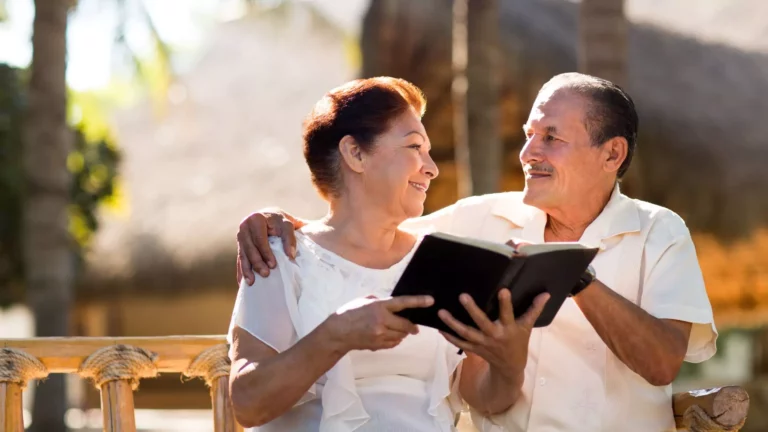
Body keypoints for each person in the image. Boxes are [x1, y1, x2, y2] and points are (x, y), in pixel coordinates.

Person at [235, 72, 718, 432]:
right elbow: (360, 235)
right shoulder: (469, 228)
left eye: (550, 137)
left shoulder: (659, 232)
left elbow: (661, 365)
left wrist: (574, 276)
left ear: (611, 154)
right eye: (529, 133)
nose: (528, 151)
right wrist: (270, 218)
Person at [227, 76, 550, 432]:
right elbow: (247, 404)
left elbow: (485, 397)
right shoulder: (282, 255)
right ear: (356, 153)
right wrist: (336, 335)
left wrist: (510, 361)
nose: (432, 167)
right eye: (414, 147)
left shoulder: (443, 260)